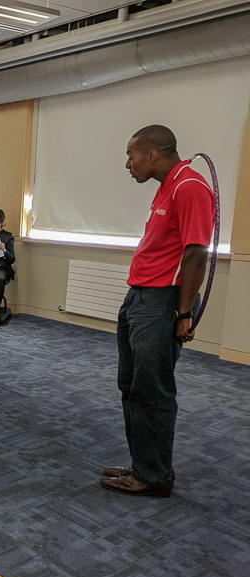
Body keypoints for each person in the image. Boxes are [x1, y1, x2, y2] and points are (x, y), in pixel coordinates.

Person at [100, 125, 214, 498]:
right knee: (131, 386)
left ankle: (155, 477)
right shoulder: (167, 186)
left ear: (152, 154)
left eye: (131, 155)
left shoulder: (190, 186)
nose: (127, 164)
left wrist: (183, 314)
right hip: (141, 298)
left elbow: (196, 252)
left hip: (164, 302)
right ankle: (143, 464)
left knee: (153, 391)